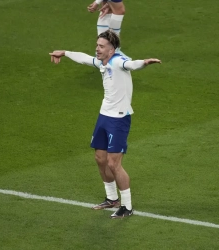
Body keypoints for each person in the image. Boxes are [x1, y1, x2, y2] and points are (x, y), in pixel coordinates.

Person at [49, 30, 161, 218]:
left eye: (101, 46)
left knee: (113, 163)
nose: (97, 49)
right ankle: (111, 199)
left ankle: (127, 206)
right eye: (97, 45)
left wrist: (145, 63)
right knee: (100, 159)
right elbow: (85, 58)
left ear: (112, 49)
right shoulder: (103, 61)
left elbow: (130, 64)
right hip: (104, 115)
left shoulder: (118, 61)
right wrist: (65, 52)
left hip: (119, 119)